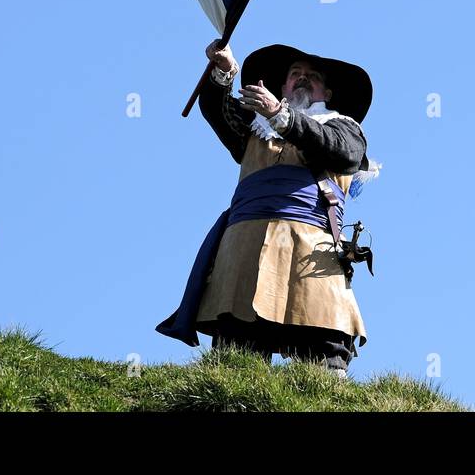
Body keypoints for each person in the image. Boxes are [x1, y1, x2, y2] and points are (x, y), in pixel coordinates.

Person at [155, 42, 378, 377]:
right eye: (295, 74)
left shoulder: (344, 128)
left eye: (312, 76)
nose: (302, 79)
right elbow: (219, 110)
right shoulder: (254, 129)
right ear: (283, 86)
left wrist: (281, 116)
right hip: (244, 249)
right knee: (235, 359)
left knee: (324, 357)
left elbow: (341, 152)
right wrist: (224, 70)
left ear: (327, 92)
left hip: (311, 252)